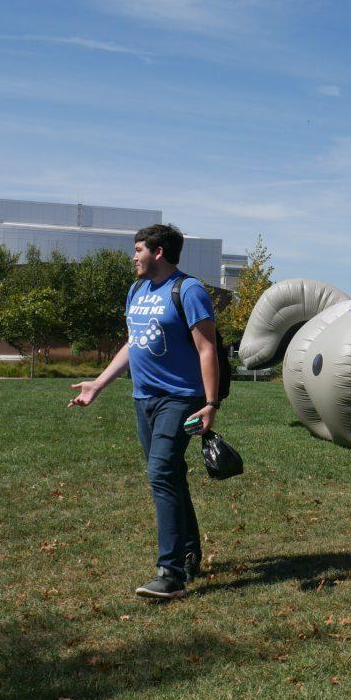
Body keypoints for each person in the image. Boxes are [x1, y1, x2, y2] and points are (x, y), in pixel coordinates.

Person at [69, 223, 221, 599]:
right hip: (144, 399)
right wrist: (99, 383)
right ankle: (189, 552)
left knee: (160, 473)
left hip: (181, 397)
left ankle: (170, 572)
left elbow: (207, 349)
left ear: (158, 252)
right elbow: (133, 343)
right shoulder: (137, 290)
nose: (133, 256)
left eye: (138, 249)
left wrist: (210, 404)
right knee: (170, 475)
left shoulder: (188, 290)